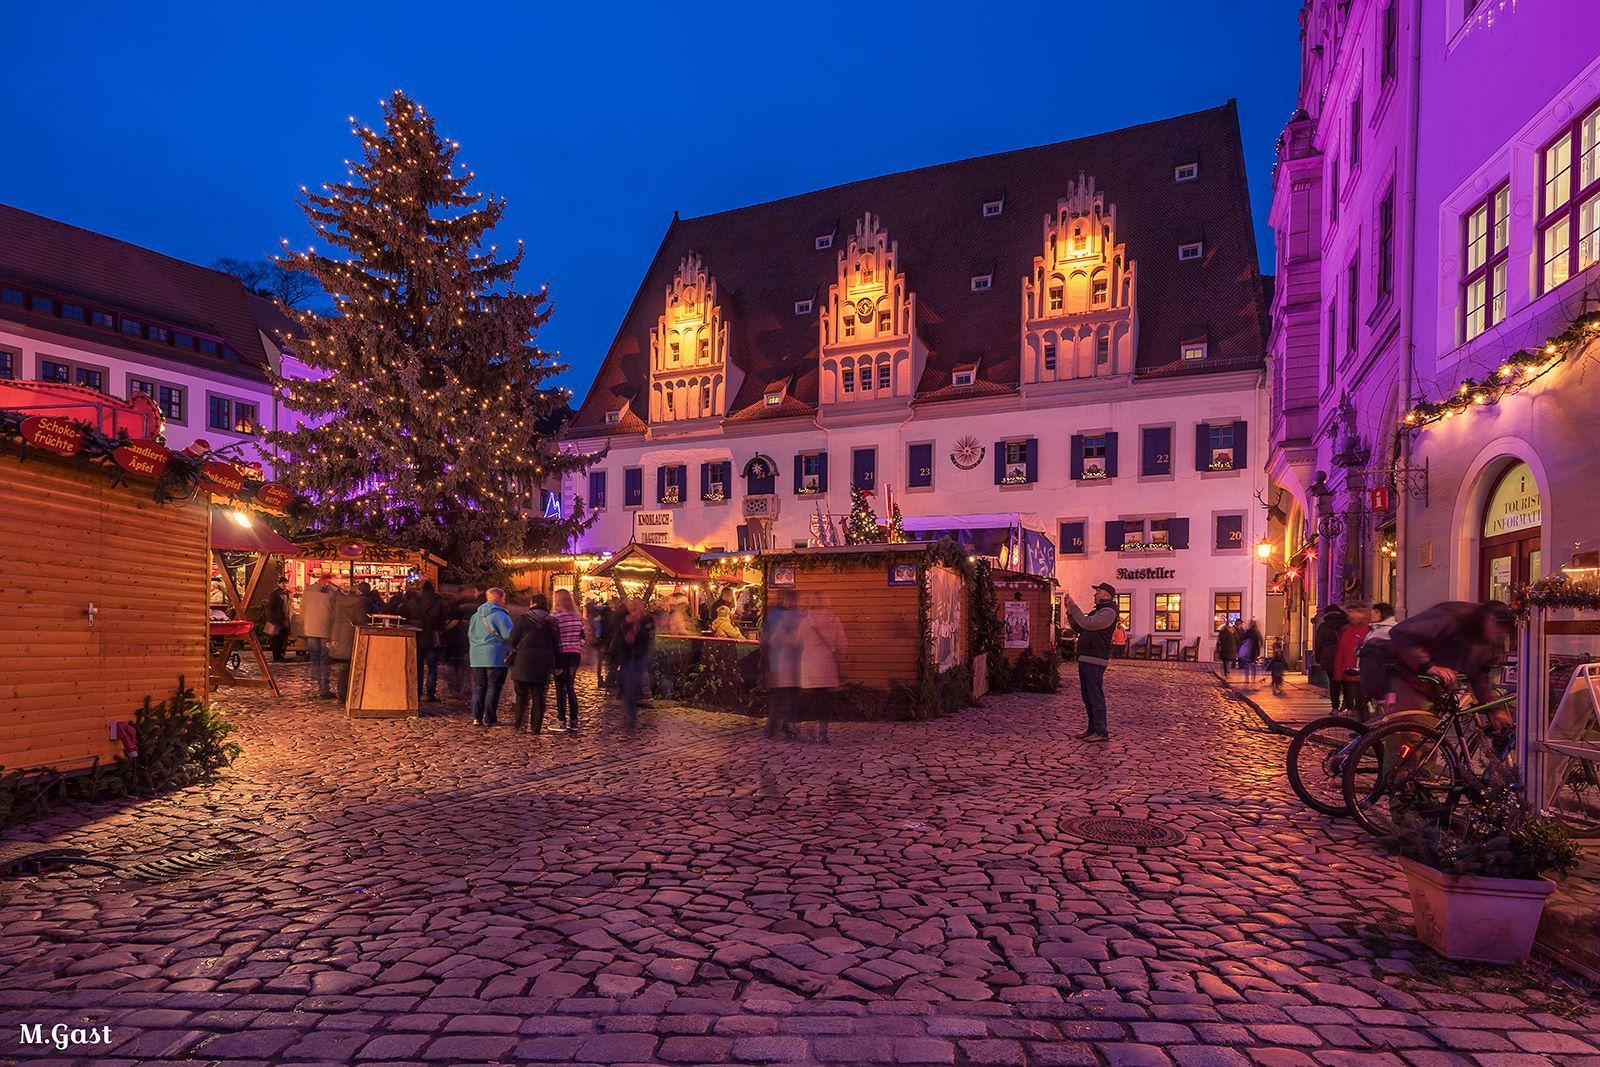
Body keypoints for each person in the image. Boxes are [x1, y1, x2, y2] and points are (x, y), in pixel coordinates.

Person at [1378, 600, 1515, 726]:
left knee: (1428, 737)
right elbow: (1400, 633)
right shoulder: (1454, 616)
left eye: (1506, 632)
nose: (1501, 634)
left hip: (1435, 688)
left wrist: (1494, 709)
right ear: (1490, 618)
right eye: (1500, 627)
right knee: (1411, 736)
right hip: (1410, 679)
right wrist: (1428, 665)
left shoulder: (1487, 638)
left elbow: (1479, 675)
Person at [1066, 582, 1118, 741]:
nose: (1095, 594)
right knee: (1088, 696)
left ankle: (1101, 732)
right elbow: (1080, 628)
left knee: (1095, 696)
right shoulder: (1099, 611)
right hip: (1087, 657)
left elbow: (1087, 623)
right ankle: (1092, 729)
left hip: (1095, 659)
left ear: (1107, 596)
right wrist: (1070, 612)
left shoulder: (1108, 612)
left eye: (1098, 592)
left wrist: (1074, 606)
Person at [796, 591, 845, 743]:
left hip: (809, 666)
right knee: (824, 701)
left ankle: (809, 730)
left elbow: (798, 642)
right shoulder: (834, 620)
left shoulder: (805, 622)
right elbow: (842, 643)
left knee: (810, 700)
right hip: (826, 666)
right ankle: (823, 733)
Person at [507, 593, 561, 732]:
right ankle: (535, 728)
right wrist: (557, 665)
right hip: (543, 661)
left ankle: (519, 725)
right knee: (539, 696)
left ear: (533, 603)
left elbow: (512, 638)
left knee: (521, 695)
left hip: (523, 661)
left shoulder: (523, 619)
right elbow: (557, 645)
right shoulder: (553, 622)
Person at [468, 588, 514, 726]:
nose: (504, 601)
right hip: (495, 655)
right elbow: (509, 635)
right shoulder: (500, 615)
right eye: (504, 598)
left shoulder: (475, 616)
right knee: (493, 686)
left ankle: (477, 717)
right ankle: (490, 718)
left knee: (478, 686)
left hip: (476, 656)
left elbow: (470, 634)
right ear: (499, 599)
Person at [762, 590, 802, 738]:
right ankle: (780, 727)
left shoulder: (774, 614)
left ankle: (773, 728)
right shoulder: (783, 616)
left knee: (780, 696)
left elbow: (766, 639)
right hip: (783, 662)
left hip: (779, 662)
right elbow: (771, 639)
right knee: (786, 696)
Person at [405, 580, 448, 703]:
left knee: (418, 667)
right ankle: (430, 694)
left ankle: (417, 693)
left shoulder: (415, 601)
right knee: (432, 668)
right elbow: (444, 616)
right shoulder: (439, 601)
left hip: (418, 636)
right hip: (433, 638)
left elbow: (406, 614)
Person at [615, 598, 656, 729]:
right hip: (627, 655)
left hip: (641, 654)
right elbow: (617, 632)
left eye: (638, 606)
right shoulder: (624, 617)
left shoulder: (647, 619)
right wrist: (627, 625)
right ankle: (631, 711)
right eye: (633, 606)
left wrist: (640, 632)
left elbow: (650, 634)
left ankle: (636, 702)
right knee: (630, 683)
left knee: (636, 680)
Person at [327, 584, 370, 701]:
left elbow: (332, 619)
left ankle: (342, 694)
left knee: (344, 668)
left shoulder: (338, 602)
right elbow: (362, 621)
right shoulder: (360, 603)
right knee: (353, 666)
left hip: (340, 635)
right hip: (352, 634)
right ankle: (351, 694)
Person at [551, 589, 586, 730]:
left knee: (561, 687)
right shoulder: (577, 616)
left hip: (561, 653)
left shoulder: (555, 616)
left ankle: (561, 720)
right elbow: (583, 637)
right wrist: (577, 645)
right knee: (570, 686)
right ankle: (574, 720)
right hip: (575, 654)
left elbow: (552, 636)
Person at [1332, 601, 1373, 720]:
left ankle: (1369, 731)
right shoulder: (1347, 630)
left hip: (1363, 672)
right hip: (1350, 672)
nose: (1352, 615)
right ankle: (1362, 729)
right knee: (1358, 704)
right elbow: (1341, 652)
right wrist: (1339, 673)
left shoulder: (1369, 630)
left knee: (1364, 704)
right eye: (1350, 612)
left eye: (1355, 612)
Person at [300, 573, 338, 698]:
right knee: (325, 659)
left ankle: (315, 683)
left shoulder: (308, 590)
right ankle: (323, 688)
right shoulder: (331, 592)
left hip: (310, 628)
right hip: (325, 629)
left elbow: (302, 609)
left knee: (315, 658)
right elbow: (334, 612)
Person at [1312, 604, 1350, 712]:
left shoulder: (1324, 626)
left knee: (1334, 683)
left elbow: (1318, 644)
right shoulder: (1347, 624)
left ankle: (1335, 708)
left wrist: (1318, 658)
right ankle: (1350, 707)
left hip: (1330, 657)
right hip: (1346, 657)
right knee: (1347, 682)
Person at [266, 576, 293, 662]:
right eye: (283, 583)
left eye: (286, 583)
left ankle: (281, 654)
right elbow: (271, 607)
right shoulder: (275, 594)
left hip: (285, 619)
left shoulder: (287, 593)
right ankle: (277, 656)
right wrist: (273, 619)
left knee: (283, 638)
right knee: (277, 638)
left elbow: (288, 606)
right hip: (278, 620)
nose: (285, 585)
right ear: (279, 584)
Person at [1239, 619, 1264, 685]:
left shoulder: (1248, 632)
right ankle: (1253, 678)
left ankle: (1247, 678)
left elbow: (1242, 640)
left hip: (1248, 650)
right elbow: (1260, 641)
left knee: (1247, 665)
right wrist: (1259, 649)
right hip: (1254, 651)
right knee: (1253, 665)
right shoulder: (1257, 632)